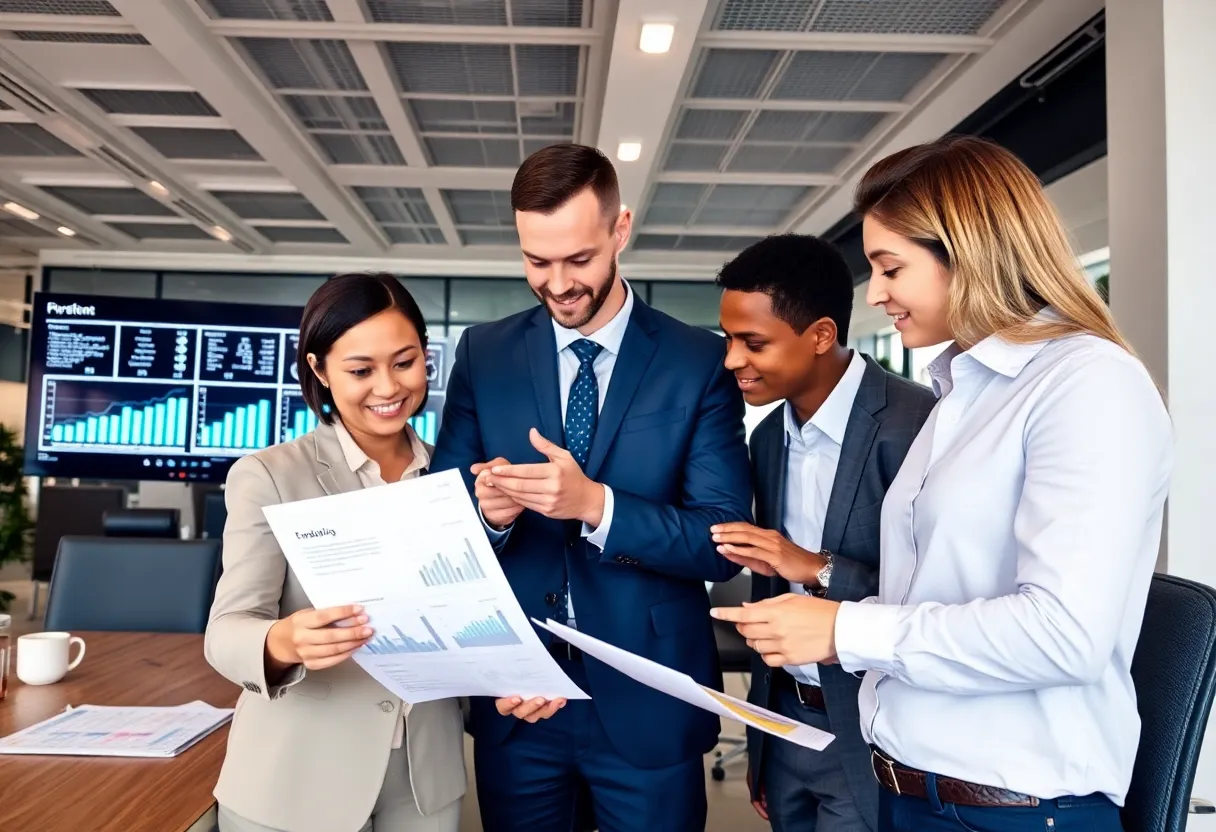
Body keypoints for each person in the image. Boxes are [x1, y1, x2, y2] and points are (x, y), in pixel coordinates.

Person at [711, 134, 1174, 832]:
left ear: (971, 250)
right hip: (909, 789)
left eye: (891, 268)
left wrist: (844, 626)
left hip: (1013, 809)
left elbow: (1064, 634)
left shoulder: (1088, 382)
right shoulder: (957, 394)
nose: (880, 294)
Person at [430, 143, 752, 832]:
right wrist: (487, 515)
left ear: (620, 229)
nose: (557, 283)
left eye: (578, 260)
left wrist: (595, 507)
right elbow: (440, 520)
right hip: (518, 699)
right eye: (536, 261)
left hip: (648, 696)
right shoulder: (484, 354)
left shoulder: (697, 360)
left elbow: (721, 540)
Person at [205, 273, 466, 832]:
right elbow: (226, 633)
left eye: (405, 361)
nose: (388, 387)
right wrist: (282, 641)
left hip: (425, 782)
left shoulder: (455, 478)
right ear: (320, 370)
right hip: (296, 780)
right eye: (360, 370)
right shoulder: (269, 475)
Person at [715, 234, 936, 832]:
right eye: (729, 340)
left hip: (870, 728)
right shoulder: (766, 438)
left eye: (752, 342)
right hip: (786, 721)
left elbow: (940, 602)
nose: (733, 359)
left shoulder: (917, 423)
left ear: (819, 335)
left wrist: (816, 566)